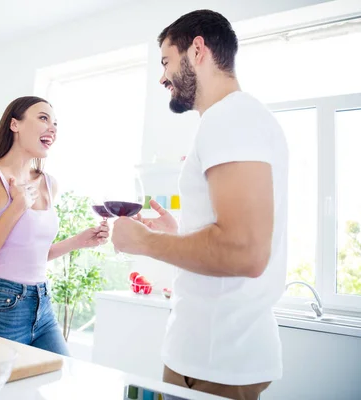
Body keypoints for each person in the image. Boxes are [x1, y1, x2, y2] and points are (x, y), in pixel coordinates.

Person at [111, 10, 288, 400]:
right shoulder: (233, 119)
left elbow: (244, 251)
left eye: (165, 61)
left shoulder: (230, 117)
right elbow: (232, 239)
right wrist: (180, 235)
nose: (161, 77)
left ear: (196, 50)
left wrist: (142, 243)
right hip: (210, 357)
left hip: (215, 363)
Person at [0, 96, 109, 356]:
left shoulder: (49, 183)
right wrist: (16, 208)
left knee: (60, 381)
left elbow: (31, 254)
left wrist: (78, 241)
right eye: (43, 118)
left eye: (56, 123)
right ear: (14, 125)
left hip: (42, 303)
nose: (53, 128)